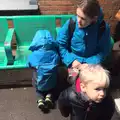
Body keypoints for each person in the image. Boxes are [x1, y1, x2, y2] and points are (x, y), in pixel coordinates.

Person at [57, 0, 113, 69]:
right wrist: (71, 60)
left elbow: (104, 50)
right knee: (70, 78)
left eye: (83, 18)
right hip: (73, 61)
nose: (78, 21)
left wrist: (90, 63)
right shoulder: (71, 23)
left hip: (92, 63)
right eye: (77, 15)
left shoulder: (103, 28)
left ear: (94, 19)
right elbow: (60, 44)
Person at [27, 30, 60, 110]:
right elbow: (58, 62)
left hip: (38, 81)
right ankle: (49, 96)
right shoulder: (55, 54)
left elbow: (29, 65)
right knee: (51, 89)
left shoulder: (33, 55)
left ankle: (40, 100)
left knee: (38, 90)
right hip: (51, 81)